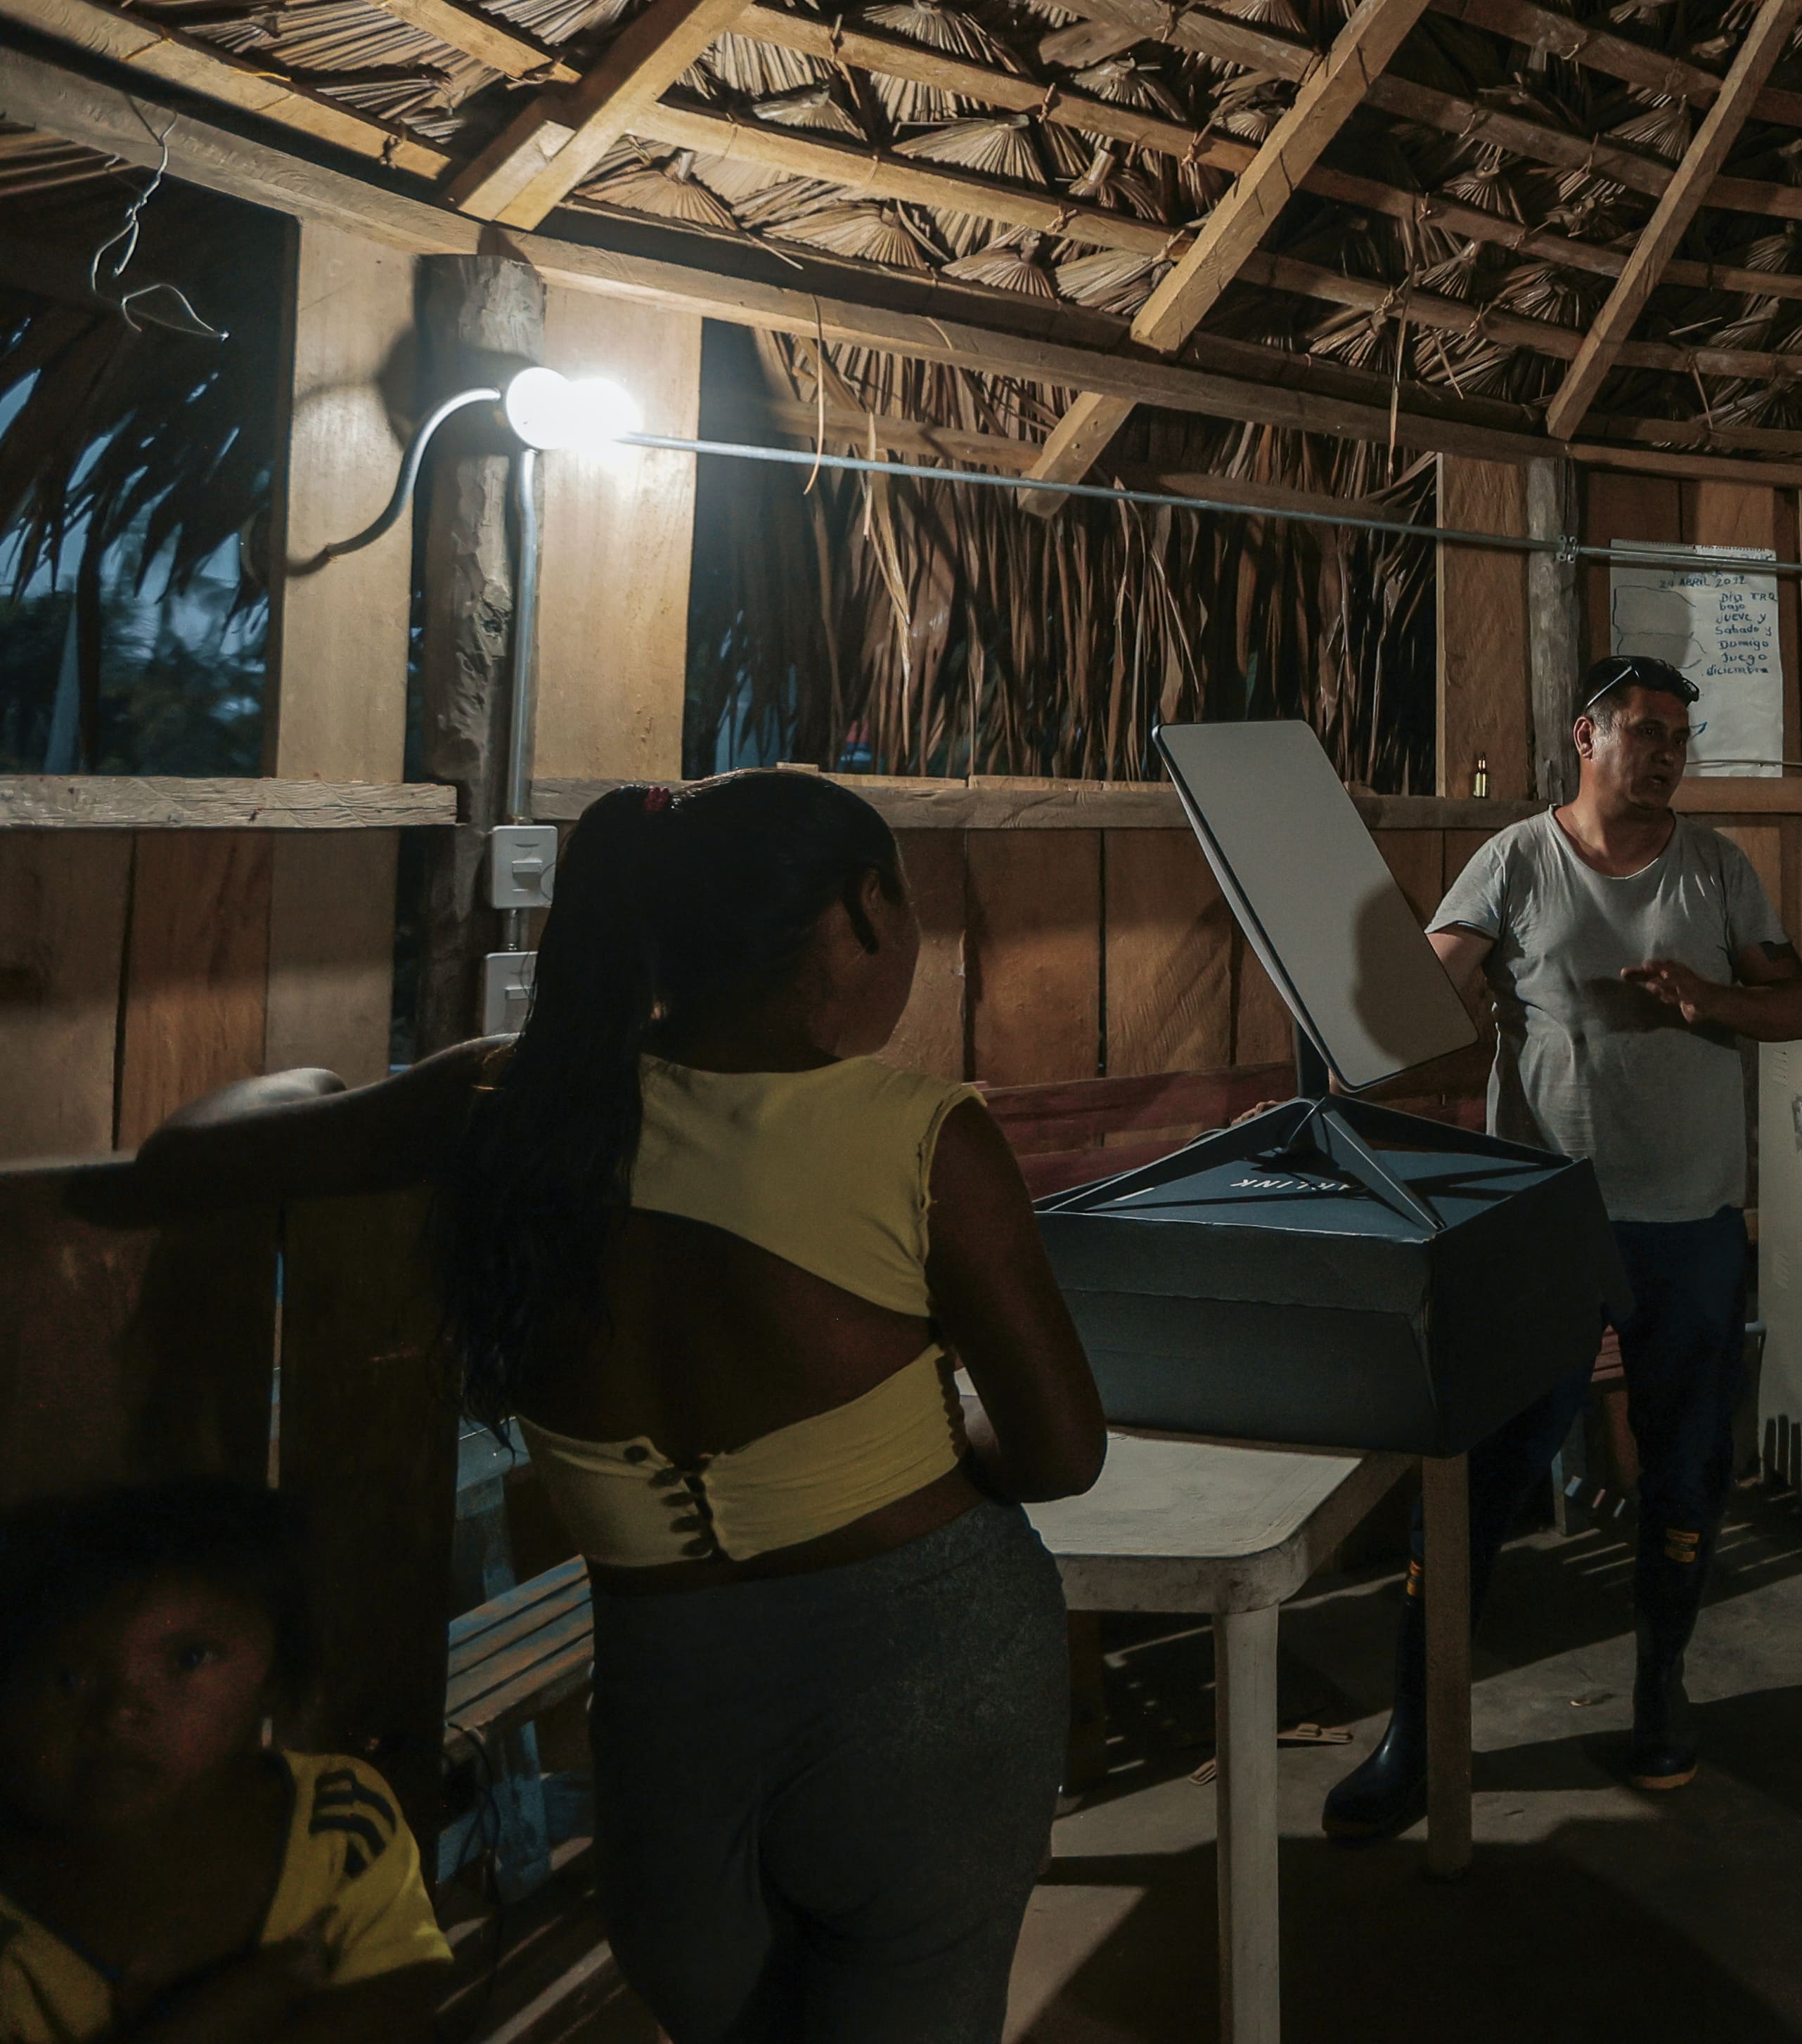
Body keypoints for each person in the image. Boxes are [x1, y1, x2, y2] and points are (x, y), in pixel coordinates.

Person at [94, 770, 1108, 2044]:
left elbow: (188, 1152)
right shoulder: (918, 1135)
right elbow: (1063, 1450)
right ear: (860, 910)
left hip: (667, 1691)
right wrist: (908, 1428)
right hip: (928, 1668)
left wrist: (299, 1081)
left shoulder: (506, 1107)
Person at [1321, 654, 1802, 1837]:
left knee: (1687, 1472)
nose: (1663, 751)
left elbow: (1797, 1008)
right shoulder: (1514, 861)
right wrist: (1361, 1016)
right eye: (1641, 730)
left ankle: (1659, 1688)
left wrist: (1707, 1001)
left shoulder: (1716, 869)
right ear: (1584, 741)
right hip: (1543, 1225)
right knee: (1480, 1483)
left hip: (1689, 1227)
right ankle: (1415, 1730)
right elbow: (1414, 1008)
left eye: (1677, 735)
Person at [0, 1481, 446, 2042]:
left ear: (274, 1675)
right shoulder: (18, 1949)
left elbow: (408, 1988)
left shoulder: (337, 1821)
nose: (118, 1712)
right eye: (67, 1677)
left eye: (187, 1659)